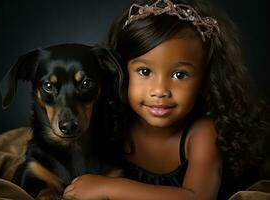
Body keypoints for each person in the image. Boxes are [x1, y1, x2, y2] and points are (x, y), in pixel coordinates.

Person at [63, 0, 269, 199]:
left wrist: (110, 188)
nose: (160, 90)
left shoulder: (201, 133)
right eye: (144, 71)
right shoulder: (114, 121)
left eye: (179, 75)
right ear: (120, 72)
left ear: (205, 79)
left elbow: (198, 198)